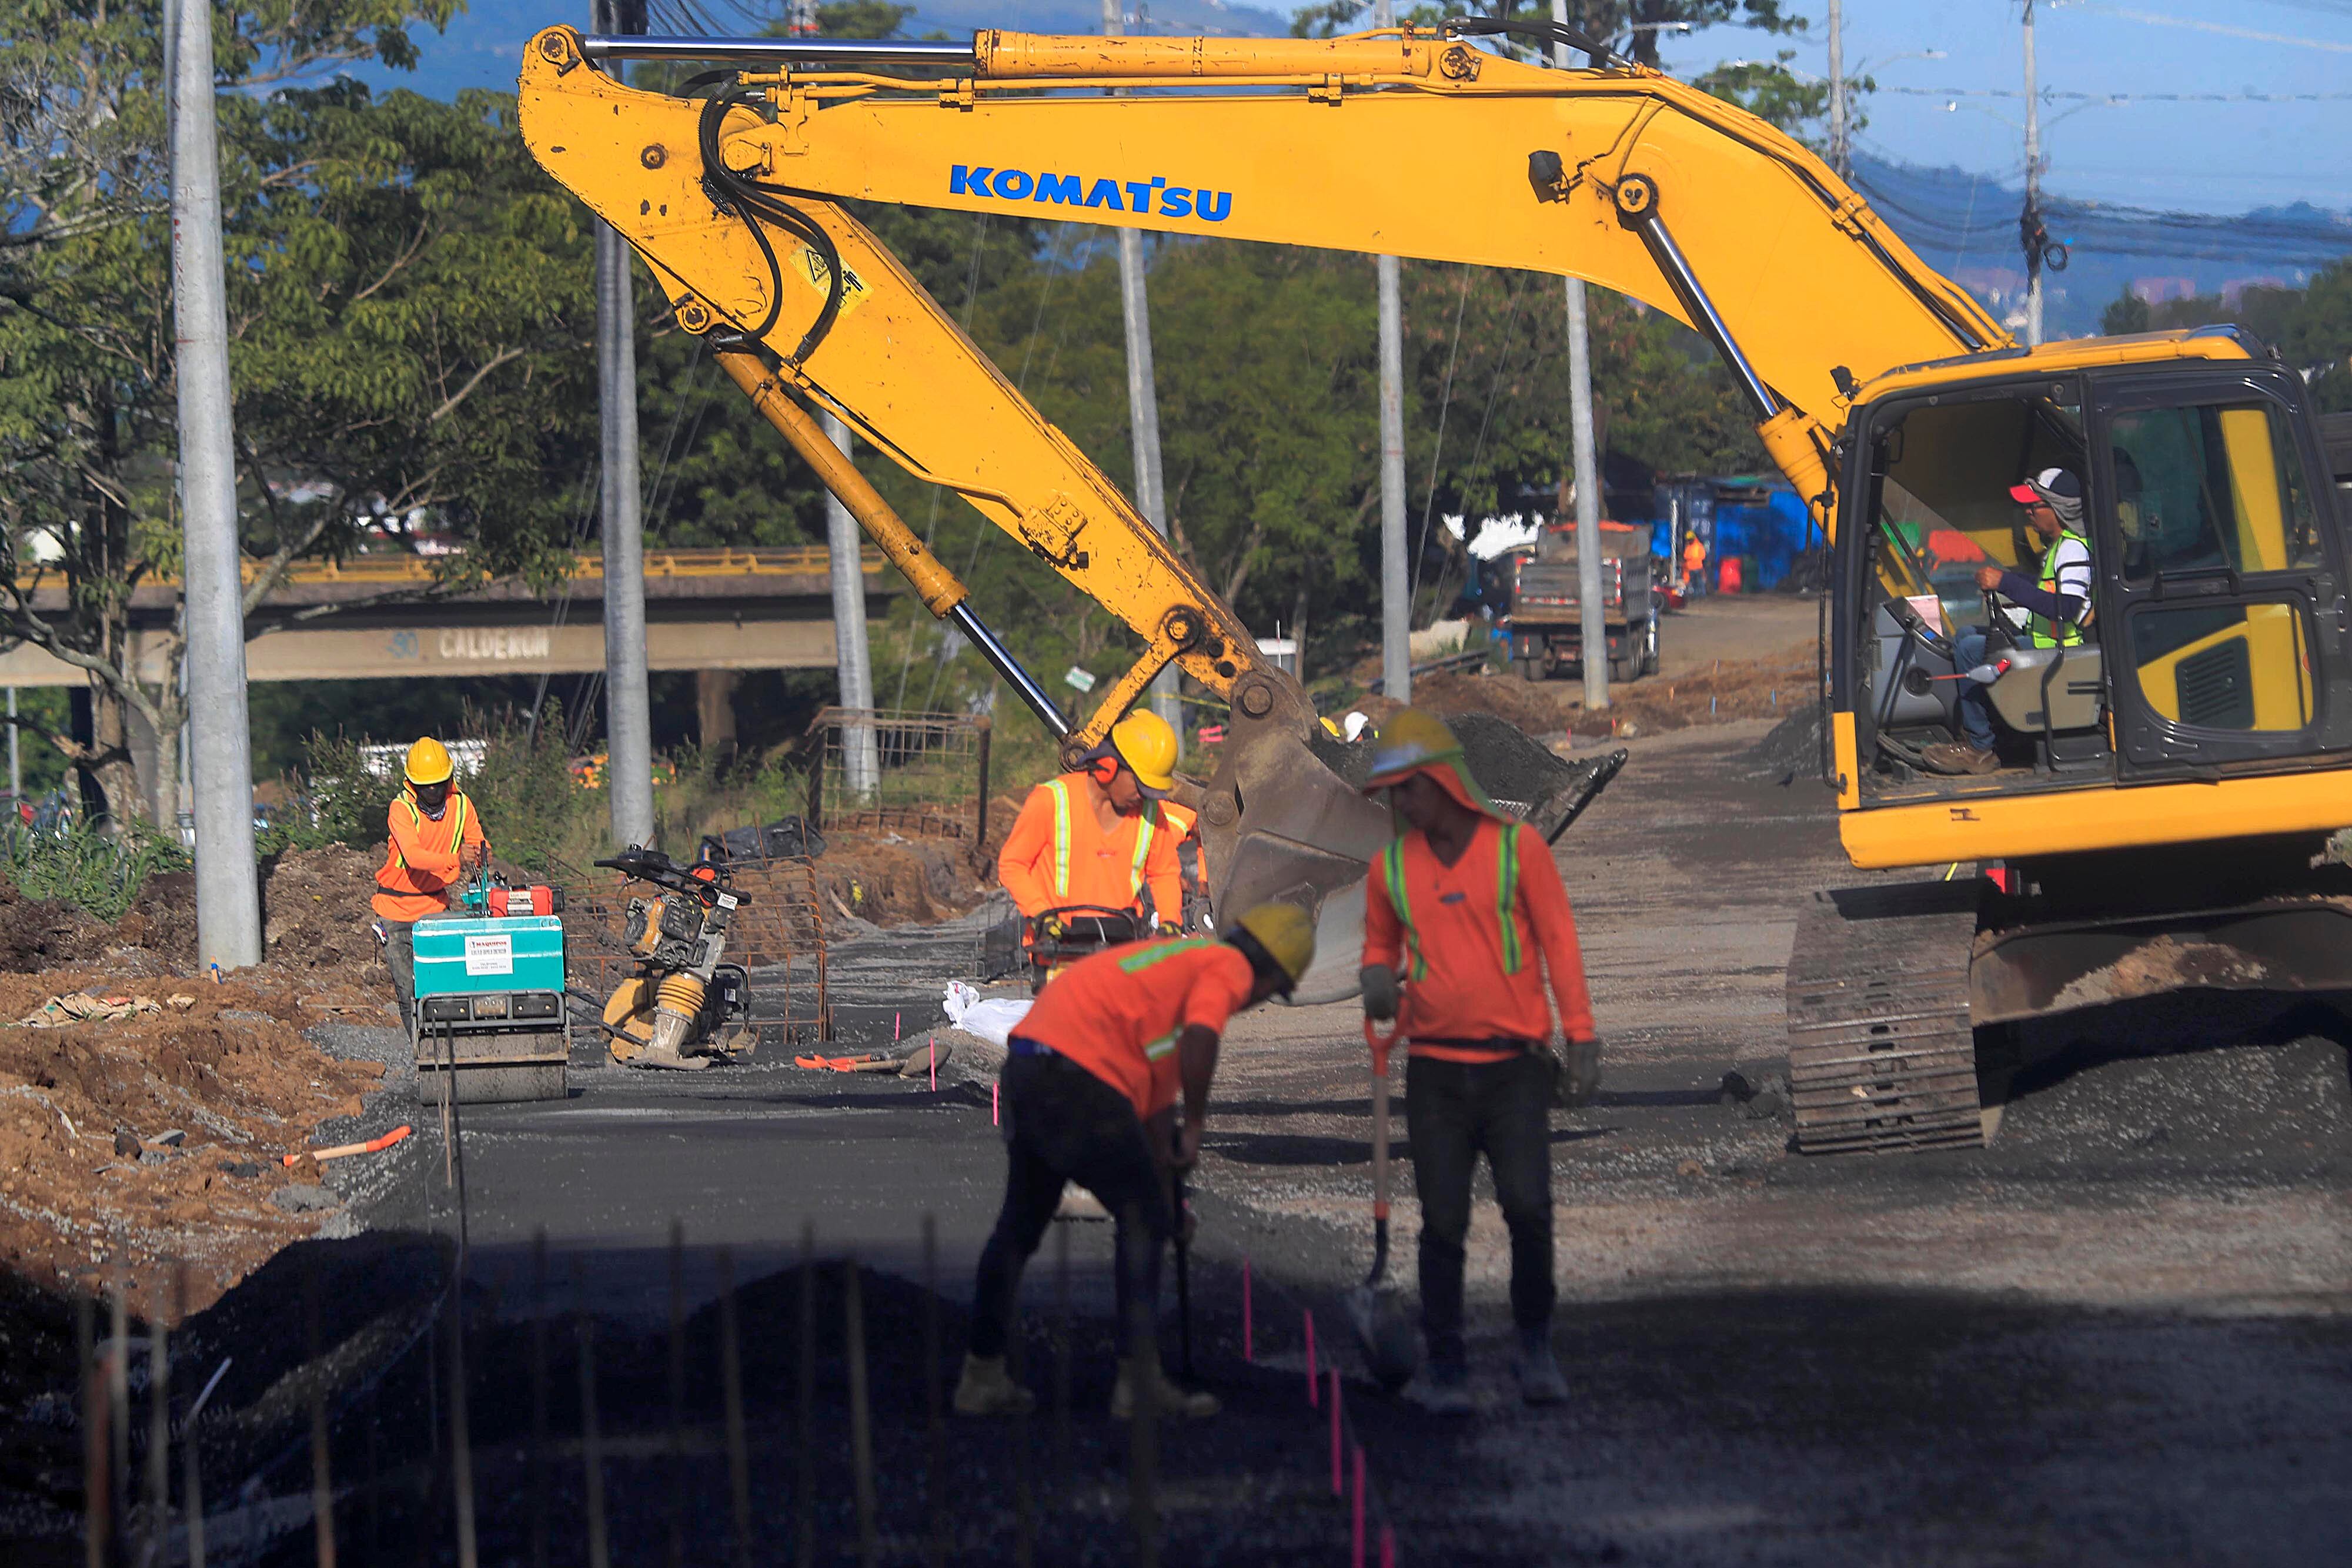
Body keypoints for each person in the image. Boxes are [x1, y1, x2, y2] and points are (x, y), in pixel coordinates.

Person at [954, 902, 1317, 1422]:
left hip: (1031, 1068)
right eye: (1270, 991)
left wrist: (1171, 1196)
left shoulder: (1171, 967)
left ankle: (981, 1376)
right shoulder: (1225, 965)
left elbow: (1152, 1117)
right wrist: (1195, 1128)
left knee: (1022, 1224)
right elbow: (1201, 1038)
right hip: (1080, 1076)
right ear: (1268, 971)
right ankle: (1138, 1385)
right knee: (1140, 1220)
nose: (1253, 1001)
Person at [1358, 709, 1602, 1414]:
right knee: (1442, 1224)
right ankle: (1447, 1366)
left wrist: (1580, 1037)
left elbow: (1559, 941)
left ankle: (1535, 1350)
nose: (1400, 806)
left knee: (1527, 1209)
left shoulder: (1518, 850)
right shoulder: (1390, 870)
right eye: (1393, 795)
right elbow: (1379, 949)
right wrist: (1378, 977)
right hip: (1434, 1072)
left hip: (1515, 1067)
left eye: (1407, 789)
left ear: (1442, 780)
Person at [1921, 467, 2094, 777]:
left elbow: (2068, 607)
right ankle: (1985, 729)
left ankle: (1980, 747)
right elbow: (2045, 588)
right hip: (2045, 643)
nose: (2028, 512)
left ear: (2059, 510)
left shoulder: (2073, 549)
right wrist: (2009, 580)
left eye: (2035, 506)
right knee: (1965, 636)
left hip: (2059, 651)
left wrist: (2006, 583)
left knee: (1973, 651)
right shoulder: (2059, 548)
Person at [996, 710, 1185, 979]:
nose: (1144, 797)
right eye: (1141, 786)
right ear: (1108, 767)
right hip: (1059, 955)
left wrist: (1170, 923)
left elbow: (1165, 872)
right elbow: (1013, 865)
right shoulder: (1051, 802)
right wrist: (1042, 914)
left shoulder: (1151, 813)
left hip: (1121, 951)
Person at [372, 737, 489, 1034]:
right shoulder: (401, 810)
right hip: (396, 913)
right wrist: (456, 857)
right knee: (409, 992)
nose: (433, 791)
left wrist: (480, 861)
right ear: (413, 784)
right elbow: (414, 857)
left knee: (449, 984)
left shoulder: (461, 805)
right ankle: (423, 1058)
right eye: (426, 786)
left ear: (449, 778)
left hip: (436, 907)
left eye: (438, 783)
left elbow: (478, 844)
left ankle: (456, 1047)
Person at [1682, 531, 1708, 599]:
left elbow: (1703, 556)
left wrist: (1691, 558)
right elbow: (1686, 556)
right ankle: (1696, 596)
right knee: (1694, 583)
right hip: (1691, 568)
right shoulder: (1689, 547)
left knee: (1700, 583)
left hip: (1698, 568)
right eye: (1688, 540)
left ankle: (1702, 596)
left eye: (1690, 539)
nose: (1689, 541)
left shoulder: (1699, 546)